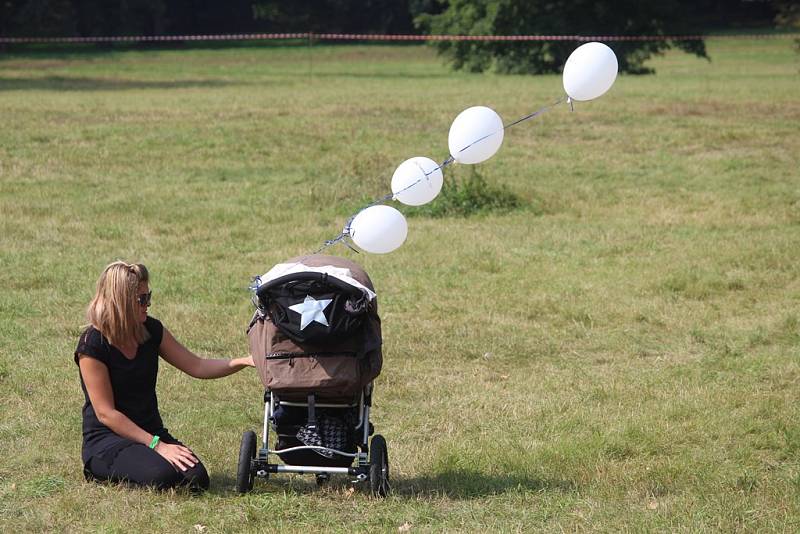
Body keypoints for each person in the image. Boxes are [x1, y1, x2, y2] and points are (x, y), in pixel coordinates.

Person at [74, 261, 254, 491]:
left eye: (148, 296)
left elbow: (197, 366)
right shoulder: (93, 344)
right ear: (121, 301)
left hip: (150, 432)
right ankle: (102, 471)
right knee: (163, 476)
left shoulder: (151, 330)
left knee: (196, 479)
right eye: (141, 299)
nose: (147, 304)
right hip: (108, 440)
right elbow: (106, 414)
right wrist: (158, 446)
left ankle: (145, 462)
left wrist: (244, 361)